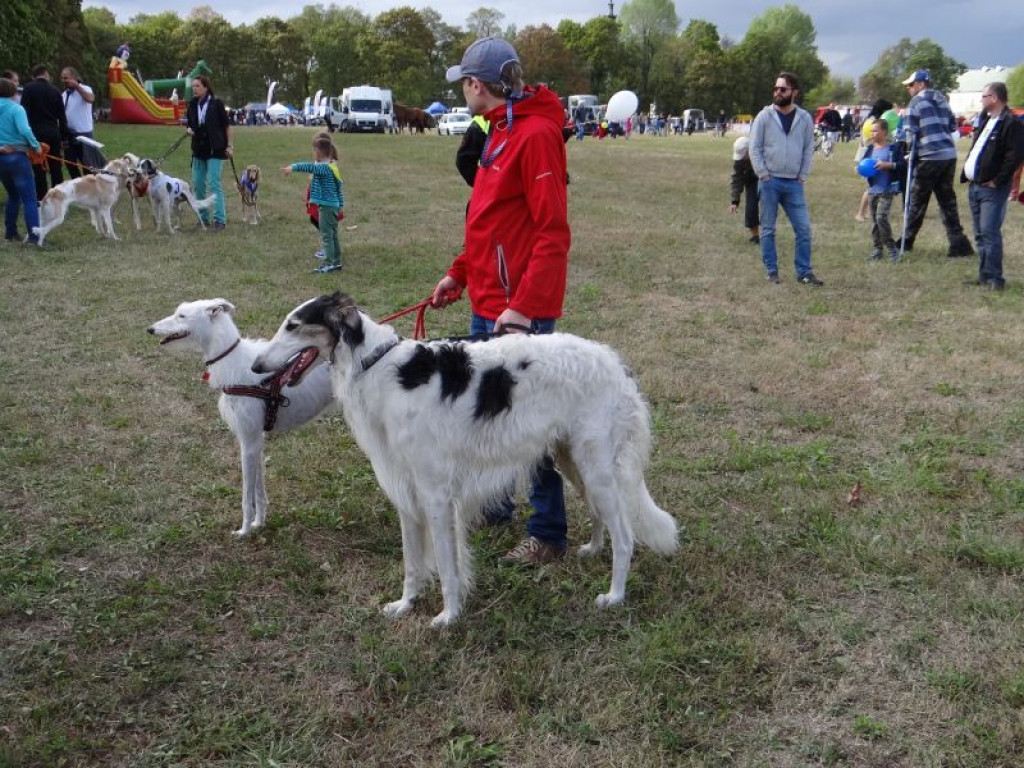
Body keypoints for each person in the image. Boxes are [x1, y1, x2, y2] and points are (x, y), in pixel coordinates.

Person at [430, 36, 571, 565]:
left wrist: (524, 307)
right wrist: (458, 274)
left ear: (477, 84)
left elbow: (552, 231)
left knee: (528, 422)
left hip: (516, 310)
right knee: (487, 413)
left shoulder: (534, 135)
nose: (462, 90)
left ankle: (548, 533)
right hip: (487, 300)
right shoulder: (497, 132)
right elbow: (487, 220)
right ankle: (494, 504)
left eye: (464, 81)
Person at [749, 71, 822, 285]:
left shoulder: (805, 118)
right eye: (775, 88)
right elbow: (754, 148)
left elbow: (809, 147)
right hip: (770, 181)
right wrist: (763, 174)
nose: (777, 92)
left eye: (783, 89)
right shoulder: (764, 116)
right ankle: (772, 272)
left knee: (803, 229)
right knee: (769, 229)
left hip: (793, 183)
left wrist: (803, 174)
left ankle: (804, 272)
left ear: (794, 92)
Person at [898, 69, 974, 258]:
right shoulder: (942, 99)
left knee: (917, 200)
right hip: (948, 155)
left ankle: (906, 241)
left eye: (911, 84)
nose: (908, 88)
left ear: (921, 83)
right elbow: (952, 126)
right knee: (947, 201)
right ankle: (959, 244)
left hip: (929, 156)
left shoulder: (915, 102)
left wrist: (906, 152)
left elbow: (909, 133)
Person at [960, 82, 1024, 290]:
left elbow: (1014, 156)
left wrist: (997, 180)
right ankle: (984, 275)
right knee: (979, 233)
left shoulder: (1011, 123)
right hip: (976, 185)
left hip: (992, 188)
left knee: (989, 231)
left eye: (984, 96)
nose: (982, 100)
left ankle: (995, 279)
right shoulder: (986, 119)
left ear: (994, 98)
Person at [284, 135, 344, 273]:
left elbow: (308, 167)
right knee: (333, 235)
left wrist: (292, 167)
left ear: (318, 152)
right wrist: (340, 204)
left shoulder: (323, 168)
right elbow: (339, 186)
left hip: (327, 208)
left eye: (314, 150)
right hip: (333, 206)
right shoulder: (332, 167)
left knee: (327, 236)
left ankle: (329, 263)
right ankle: (336, 261)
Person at [185, 75, 231, 230]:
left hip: (215, 149)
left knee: (213, 182)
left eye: (197, 86)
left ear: (206, 87)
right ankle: (203, 218)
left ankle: (220, 220)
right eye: (193, 86)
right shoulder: (191, 105)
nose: (194, 89)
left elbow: (226, 126)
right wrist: (189, 129)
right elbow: (190, 124)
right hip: (198, 149)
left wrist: (229, 146)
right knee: (197, 184)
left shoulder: (216, 104)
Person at [0, 77, 42, 244]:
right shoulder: (17, 109)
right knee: (29, 199)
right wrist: (36, 146)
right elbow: (24, 130)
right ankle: (34, 236)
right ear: (12, 92)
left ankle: (10, 233)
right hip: (17, 158)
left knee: (13, 195)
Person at [19, 65, 66, 200]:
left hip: (35, 134)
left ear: (34, 76)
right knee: (55, 166)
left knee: (38, 165)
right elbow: (62, 117)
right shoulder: (56, 91)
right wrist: (63, 137)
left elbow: (24, 112)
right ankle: (58, 197)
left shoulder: (28, 89)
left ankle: (42, 197)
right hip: (53, 132)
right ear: (46, 74)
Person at [861, 119, 904, 262]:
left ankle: (891, 248)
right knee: (874, 221)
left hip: (887, 189)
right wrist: (860, 169)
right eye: (872, 130)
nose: (872, 133)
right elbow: (864, 165)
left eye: (875, 130)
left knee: (881, 217)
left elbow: (902, 165)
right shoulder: (870, 149)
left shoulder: (893, 149)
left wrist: (888, 165)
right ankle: (877, 249)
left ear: (884, 132)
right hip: (873, 189)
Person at [60, 67, 95, 179]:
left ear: (74, 78)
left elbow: (90, 99)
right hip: (70, 135)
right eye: (62, 78)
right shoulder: (64, 94)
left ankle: (90, 186)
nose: (64, 80)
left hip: (84, 134)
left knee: (88, 165)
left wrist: (77, 87)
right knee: (70, 163)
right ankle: (78, 184)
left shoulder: (85, 89)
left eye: (66, 78)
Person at [729, 136, 759, 244]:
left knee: (768, 209)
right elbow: (736, 179)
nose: (741, 158)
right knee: (751, 208)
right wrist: (734, 201)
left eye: (743, 155)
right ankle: (755, 236)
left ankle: (768, 234)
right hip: (751, 181)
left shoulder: (763, 153)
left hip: (767, 180)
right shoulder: (739, 162)